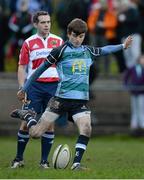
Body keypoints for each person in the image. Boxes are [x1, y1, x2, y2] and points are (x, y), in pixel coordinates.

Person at [10, 18, 133, 170]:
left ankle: (76, 164)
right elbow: (39, 70)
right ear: (68, 34)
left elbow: (105, 49)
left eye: (81, 36)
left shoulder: (87, 51)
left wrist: (122, 46)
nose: (77, 39)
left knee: (86, 128)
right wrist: (24, 88)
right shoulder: (60, 51)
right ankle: (28, 116)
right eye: (75, 36)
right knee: (35, 134)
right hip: (60, 100)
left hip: (79, 101)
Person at [11, 11, 64, 169]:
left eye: (48, 22)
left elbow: (63, 65)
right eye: (42, 22)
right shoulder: (28, 42)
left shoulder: (59, 41)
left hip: (53, 86)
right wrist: (22, 87)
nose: (46, 25)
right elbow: (22, 66)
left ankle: (44, 162)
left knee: (49, 124)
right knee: (26, 123)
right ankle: (19, 159)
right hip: (34, 87)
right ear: (35, 24)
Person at [124, 54, 144, 136]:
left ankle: (142, 124)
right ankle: (134, 124)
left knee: (141, 108)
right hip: (134, 91)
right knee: (134, 108)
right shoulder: (132, 68)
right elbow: (126, 78)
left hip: (141, 92)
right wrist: (127, 86)